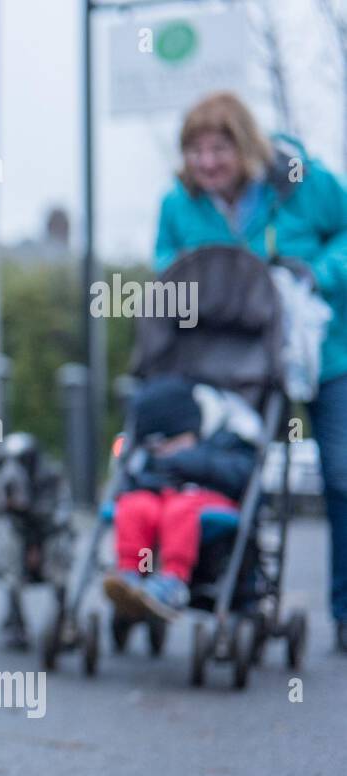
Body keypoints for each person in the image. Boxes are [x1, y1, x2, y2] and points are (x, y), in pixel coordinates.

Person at [154, 91, 347, 649]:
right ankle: (234, 582)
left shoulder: (303, 184)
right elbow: (166, 265)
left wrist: (316, 273)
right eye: (195, 151)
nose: (206, 163)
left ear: (245, 146)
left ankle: (345, 609)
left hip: (323, 351)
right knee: (231, 462)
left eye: (218, 149)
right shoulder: (179, 205)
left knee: (340, 474)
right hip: (235, 361)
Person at [104, 376, 259, 623]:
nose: (164, 449)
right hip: (160, 498)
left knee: (180, 508)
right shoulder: (151, 454)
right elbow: (131, 477)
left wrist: (193, 462)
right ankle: (133, 572)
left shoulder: (228, 434)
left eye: (172, 442)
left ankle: (172, 581)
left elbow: (243, 472)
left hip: (205, 496)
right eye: (157, 446)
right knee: (135, 506)